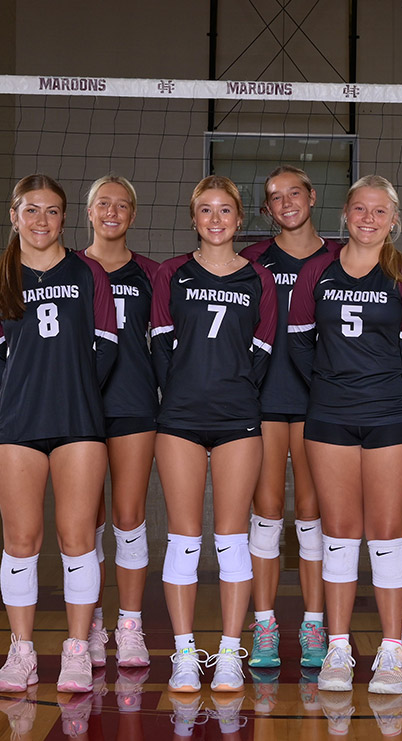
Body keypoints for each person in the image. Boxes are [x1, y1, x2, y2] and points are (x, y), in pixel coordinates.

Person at [289, 174, 402, 695]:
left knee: (387, 532)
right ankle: (337, 648)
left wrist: (384, 388)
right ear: (345, 214)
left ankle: (393, 651)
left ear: (393, 220)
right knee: (339, 532)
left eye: (380, 212)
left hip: (392, 418)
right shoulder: (317, 272)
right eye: (360, 209)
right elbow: (299, 343)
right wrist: (335, 384)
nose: (368, 220)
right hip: (329, 416)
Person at [0, 174, 117, 693]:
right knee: (21, 541)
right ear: (14, 215)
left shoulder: (88, 274)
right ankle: (21, 651)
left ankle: (77, 649)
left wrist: (69, 387)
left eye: (52, 211)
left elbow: (106, 345)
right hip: (18, 424)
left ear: (65, 218)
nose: (41, 221)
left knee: (78, 540)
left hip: (79, 421)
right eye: (31, 210)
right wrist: (26, 391)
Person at [151, 175, 277, 693]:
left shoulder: (259, 279)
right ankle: (184, 654)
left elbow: (265, 351)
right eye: (207, 210)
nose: (217, 219)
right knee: (183, 540)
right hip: (179, 418)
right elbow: (159, 345)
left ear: (240, 219)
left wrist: (235, 392)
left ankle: (228, 653)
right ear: (193, 217)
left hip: (237, 420)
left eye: (226, 211)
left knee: (231, 540)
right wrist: (181, 392)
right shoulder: (171, 274)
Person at [239, 166, 341, 670]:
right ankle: (264, 625)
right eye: (275, 197)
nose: (286, 203)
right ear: (267, 209)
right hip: (261, 399)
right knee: (264, 514)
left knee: (311, 515)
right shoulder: (251, 259)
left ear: (313, 196)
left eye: (294, 192)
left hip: (318, 402)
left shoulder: (341, 258)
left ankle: (315, 623)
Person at [81, 175, 160, 669]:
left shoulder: (152, 273)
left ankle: (129, 625)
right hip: (79, 406)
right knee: (85, 523)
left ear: (133, 214)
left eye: (123, 205)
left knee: (129, 517)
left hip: (133, 401)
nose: (113, 211)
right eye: (103, 204)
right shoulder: (67, 267)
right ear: (89, 212)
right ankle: (89, 621)